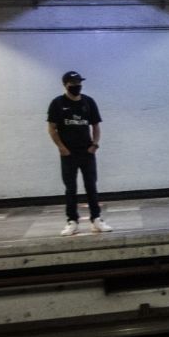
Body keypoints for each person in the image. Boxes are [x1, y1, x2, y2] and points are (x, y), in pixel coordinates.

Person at [47, 71, 113, 236]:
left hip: (87, 152)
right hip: (68, 153)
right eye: (73, 83)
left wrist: (95, 144)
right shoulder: (57, 103)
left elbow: (96, 125)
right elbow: (52, 128)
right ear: (65, 84)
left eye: (78, 83)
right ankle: (72, 221)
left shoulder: (88, 102)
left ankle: (96, 219)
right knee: (71, 188)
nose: (77, 86)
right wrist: (61, 148)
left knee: (91, 186)